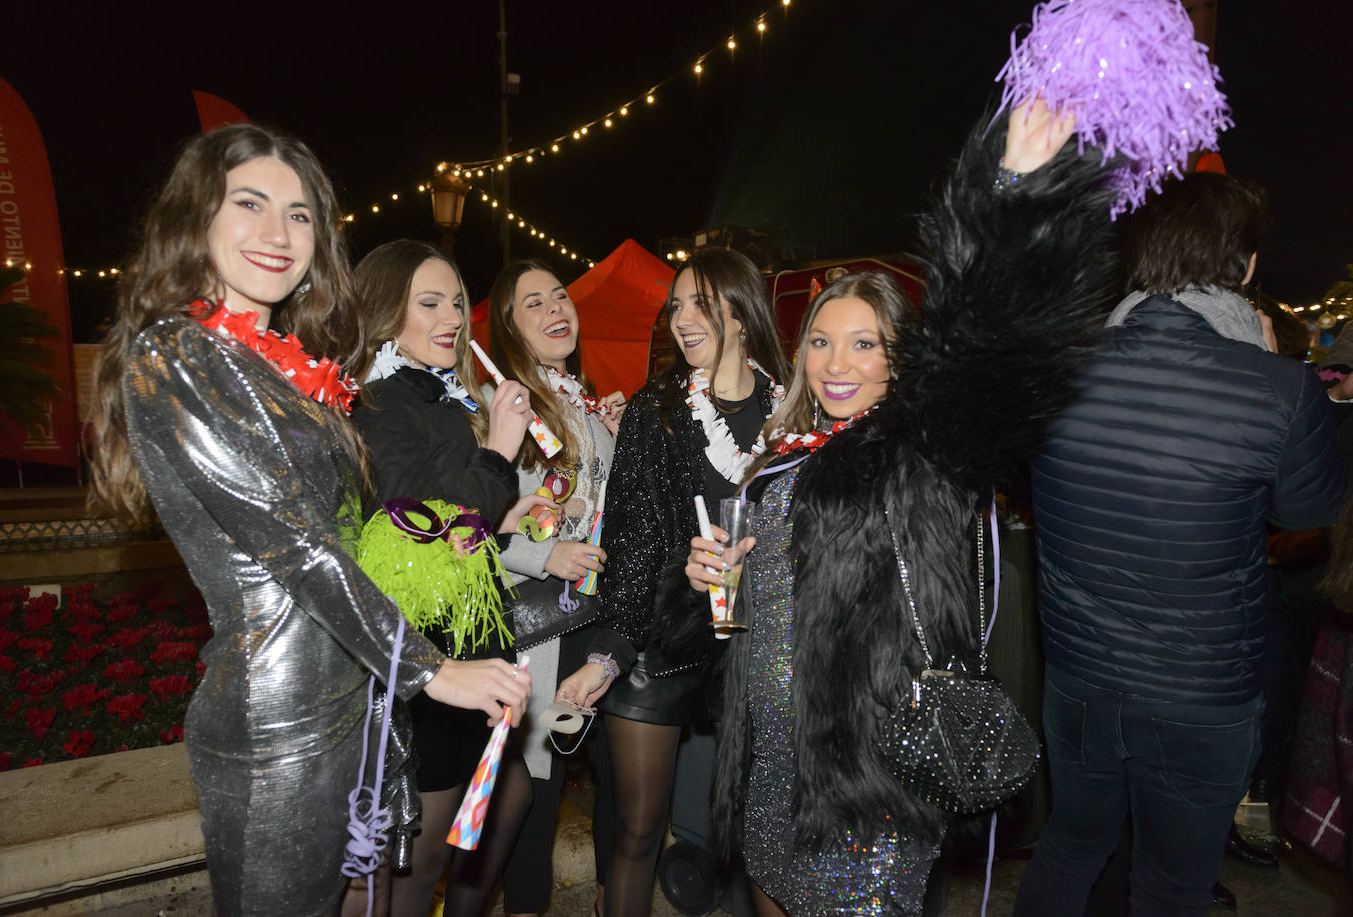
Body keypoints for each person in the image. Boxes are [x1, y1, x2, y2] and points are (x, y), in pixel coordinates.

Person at [684, 100, 1120, 914]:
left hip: (865, 772)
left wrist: (1013, 197)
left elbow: (984, 350)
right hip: (771, 758)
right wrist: (718, 585)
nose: (835, 363)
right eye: (820, 339)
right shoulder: (779, 463)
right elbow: (747, 616)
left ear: (900, 359)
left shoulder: (921, 455)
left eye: (864, 343)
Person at [87, 125, 530, 917]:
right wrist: (432, 669)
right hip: (276, 727)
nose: (278, 233)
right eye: (250, 204)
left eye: (299, 215)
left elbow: (357, 534)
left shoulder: (272, 362)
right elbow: (297, 544)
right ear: (197, 217)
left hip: (349, 699)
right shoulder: (177, 354)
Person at [1014, 171, 1346, 916]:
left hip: (1080, 679)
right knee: (1173, 885)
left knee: (1072, 846)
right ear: (1247, 264)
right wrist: (1279, 375)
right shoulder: (1277, 387)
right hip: (1202, 694)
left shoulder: (1055, 373)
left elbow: (1025, 480)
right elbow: (1311, 509)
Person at [557, 246, 789, 915]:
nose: (683, 318)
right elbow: (630, 543)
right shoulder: (654, 410)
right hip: (657, 637)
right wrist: (618, 647)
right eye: (677, 304)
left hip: (753, 639)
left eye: (701, 303)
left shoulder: (788, 412)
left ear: (741, 313)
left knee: (757, 832)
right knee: (637, 829)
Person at [349, 239, 549, 917]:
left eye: (458, 302)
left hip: (476, 638)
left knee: (507, 793)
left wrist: (505, 511)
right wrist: (498, 449)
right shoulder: (377, 400)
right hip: (429, 652)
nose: (453, 317)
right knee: (423, 846)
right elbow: (413, 510)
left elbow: (460, 518)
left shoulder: (443, 393)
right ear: (385, 316)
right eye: (428, 303)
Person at [486, 258, 625, 917]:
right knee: (533, 803)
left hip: (599, 621)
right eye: (533, 303)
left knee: (616, 785)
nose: (554, 309)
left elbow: (616, 512)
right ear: (510, 326)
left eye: (560, 296)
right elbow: (475, 526)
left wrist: (624, 444)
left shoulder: (588, 404)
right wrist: (548, 555)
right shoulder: (509, 406)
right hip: (539, 628)